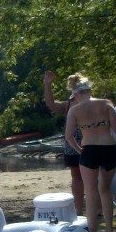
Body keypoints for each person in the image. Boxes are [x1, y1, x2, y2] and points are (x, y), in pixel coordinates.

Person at [64, 75, 116, 232]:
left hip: (89, 150)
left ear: (76, 94)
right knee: (106, 190)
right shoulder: (106, 103)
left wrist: (80, 151)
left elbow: (68, 136)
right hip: (108, 149)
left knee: (91, 193)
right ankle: (110, 230)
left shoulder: (75, 110)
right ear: (89, 90)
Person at [44, 70, 84, 214]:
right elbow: (51, 104)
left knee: (94, 176)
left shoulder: (91, 101)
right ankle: (79, 210)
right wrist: (47, 84)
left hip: (90, 142)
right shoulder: (67, 105)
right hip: (72, 144)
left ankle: (97, 208)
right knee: (77, 176)